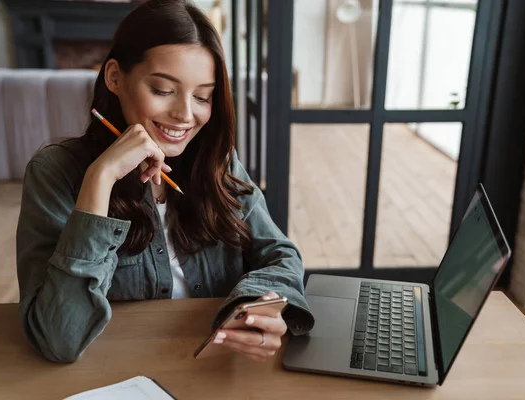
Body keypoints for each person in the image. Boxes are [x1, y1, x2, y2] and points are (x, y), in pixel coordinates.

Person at [16, 0, 314, 363]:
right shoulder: (55, 172)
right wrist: (101, 179)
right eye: (162, 89)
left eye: (203, 96)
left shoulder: (217, 161)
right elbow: (57, 339)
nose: (185, 115)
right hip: (115, 373)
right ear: (114, 77)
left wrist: (260, 305)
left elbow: (279, 255)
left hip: (216, 368)